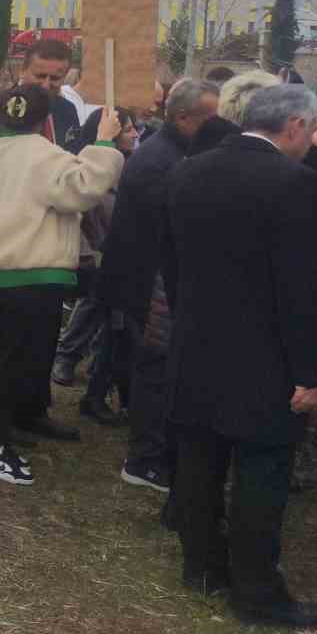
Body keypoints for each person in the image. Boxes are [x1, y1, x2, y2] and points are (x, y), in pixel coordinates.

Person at [165, 84, 317, 625]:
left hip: (195, 340)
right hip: (265, 354)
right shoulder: (296, 184)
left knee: (199, 459)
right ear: (296, 126)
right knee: (261, 469)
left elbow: (173, 261)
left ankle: (202, 567)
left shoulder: (188, 170)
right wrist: (311, 370)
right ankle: (257, 592)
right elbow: (301, 287)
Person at [0, 87, 124, 485]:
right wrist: (103, 141)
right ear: (46, 121)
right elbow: (84, 189)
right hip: (32, 272)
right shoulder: (45, 154)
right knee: (15, 362)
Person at [98, 77, 219, 493]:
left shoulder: (173, 152)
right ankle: (145, 459)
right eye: (210, 118)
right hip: (148, 285)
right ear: (184, 118)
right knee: (153, 373)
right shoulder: (161, 161)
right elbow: (163, 231)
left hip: (153, 283)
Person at [57, 107, 139, 426]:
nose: (135, 134)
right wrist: (99, 250)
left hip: (120, 255)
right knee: (93, 305)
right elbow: (89, 212)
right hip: (95, 254)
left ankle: (97, 379)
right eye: (128, 129)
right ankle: (67, 357)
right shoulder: (93, 167)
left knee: (111, 320)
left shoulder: (133, 166)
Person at [19, 38, 80, 150]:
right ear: (22, 70)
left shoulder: (67, 110)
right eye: (40, 76)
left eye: (55, 78)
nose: (45, 85)